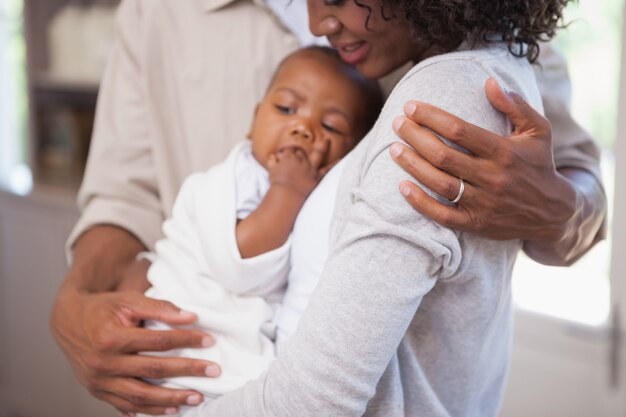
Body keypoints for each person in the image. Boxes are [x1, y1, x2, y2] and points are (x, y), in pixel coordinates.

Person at [48, 1, 606, 415]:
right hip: (214, 362)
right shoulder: (158, 14)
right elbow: (124, 195)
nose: (318, 21)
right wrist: (73, 304)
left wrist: (560, 209)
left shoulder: (468, 46)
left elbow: (575, 175)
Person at [142, 46, 382, 412]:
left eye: (331, 126)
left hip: (236, 368)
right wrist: (287, 189)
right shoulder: (227, 182)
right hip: (188, 354)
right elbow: (236, 264)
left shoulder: (324, 199)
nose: (303, 128)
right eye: (286, 108)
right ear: (254, 119)